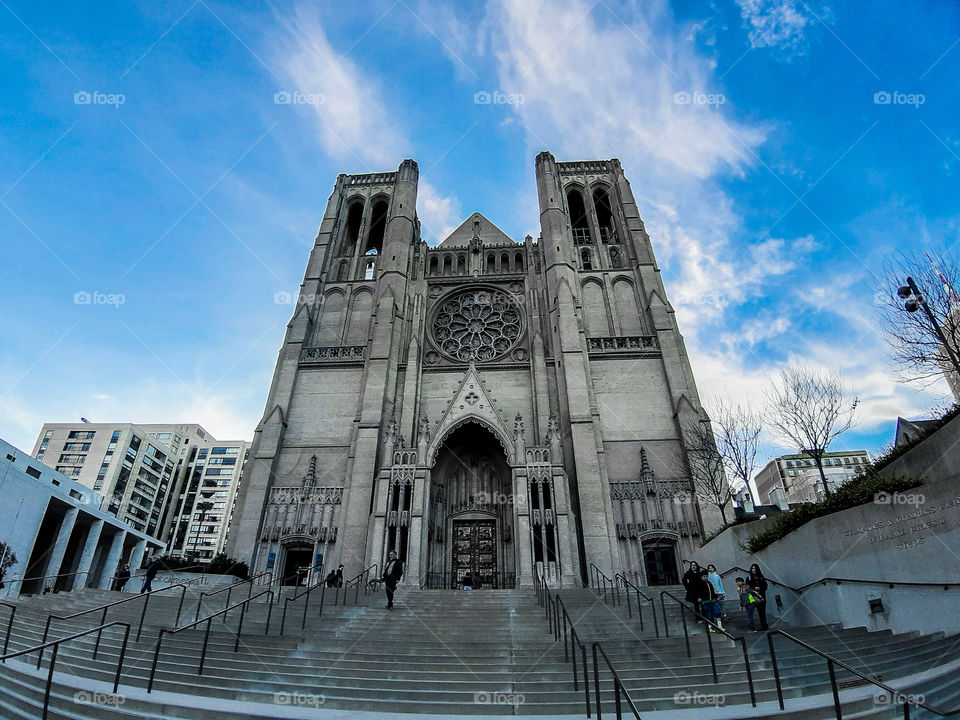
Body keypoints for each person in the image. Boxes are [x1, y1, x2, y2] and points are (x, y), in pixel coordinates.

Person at [747, 563, 769, 631]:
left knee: (762, 611)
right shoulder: (749, 578)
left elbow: (765, 586)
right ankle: (751, 626)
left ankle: (764, 626)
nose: (754, 570)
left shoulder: (761, 578)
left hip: (761, 596)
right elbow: (748, 587)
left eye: (755, 568)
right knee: (750, 612)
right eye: (753, 568)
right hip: (753, 597)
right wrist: (754, 588)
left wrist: (759, 588)